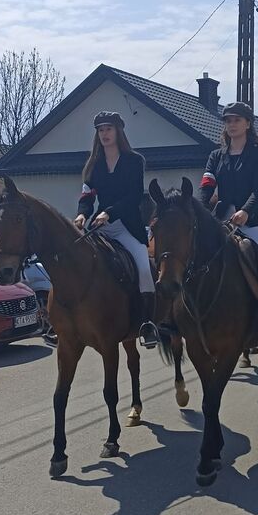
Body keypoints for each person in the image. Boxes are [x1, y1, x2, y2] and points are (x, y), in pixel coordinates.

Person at [74, 111, 159, 349]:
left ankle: (147, 323)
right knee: (77, 261)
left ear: (118, 131)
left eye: (108, 129)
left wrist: (109, 212)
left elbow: (134, 196)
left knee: (144, 268)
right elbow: (87, 195)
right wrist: (82, 214)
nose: (104, 134)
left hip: (127, 226)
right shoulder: (93, 164)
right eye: (100, 130)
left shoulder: (134, 161)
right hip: (100, 227)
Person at [199, 101, 258, 341]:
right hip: (222, 217)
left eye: (237, 120)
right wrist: (201, 211)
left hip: (251, 220)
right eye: (228, 120)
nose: (232, 124)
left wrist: (245, 211)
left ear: (248, 124)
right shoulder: (215, 156)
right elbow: (206, 187)